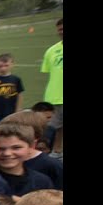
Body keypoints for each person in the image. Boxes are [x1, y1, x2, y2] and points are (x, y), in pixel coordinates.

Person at [40, 19, 63, 154]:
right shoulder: (51, 51)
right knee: (49, 130)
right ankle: (52, 154)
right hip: (54, 97)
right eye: (59, 29)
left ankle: (58, 152)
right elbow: (49, 72)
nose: (61, 31)